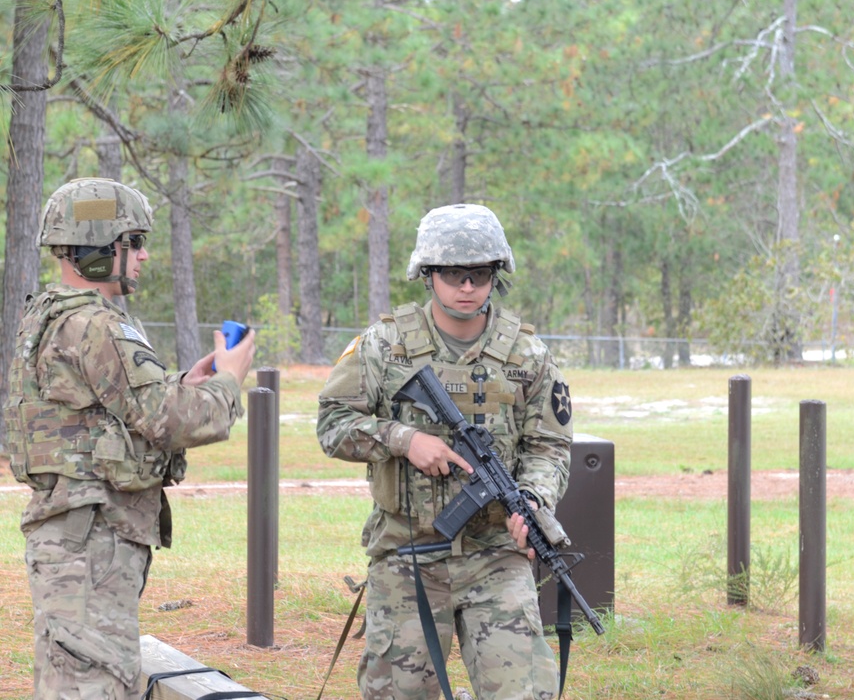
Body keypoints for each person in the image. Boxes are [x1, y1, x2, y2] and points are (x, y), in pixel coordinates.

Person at [3, 177, 256, 700]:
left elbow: (113, 410)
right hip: (92, 542)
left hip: (79, 538)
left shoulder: (55, 315)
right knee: (92, 684)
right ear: (98, 250)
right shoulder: (96, 325)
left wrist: (187, 383)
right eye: (132, 242)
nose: (143, 255)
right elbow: (165, 419)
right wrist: (231, 379)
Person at [316, 203, 574, 700]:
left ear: (496, 275)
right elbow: (332, 426)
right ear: (428, 273)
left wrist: (535, 501)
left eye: (479, 274)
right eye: (453, 273)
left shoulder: (528, 357)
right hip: (407, 556)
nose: (466, 286)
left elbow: (550, 446)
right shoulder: (383, 346)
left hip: (497, 557)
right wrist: (403, 439)